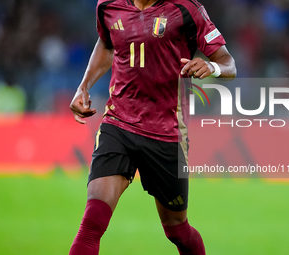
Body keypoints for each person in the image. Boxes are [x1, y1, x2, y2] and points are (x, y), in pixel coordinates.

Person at [69, 0, 236, 254]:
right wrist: (84, 85)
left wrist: (211, 66)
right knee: (92, 222)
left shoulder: (186, 9)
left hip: (166, 132)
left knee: (177, 230)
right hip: (119, 123)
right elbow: (107, 42)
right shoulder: (108, 6)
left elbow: (228, 63)